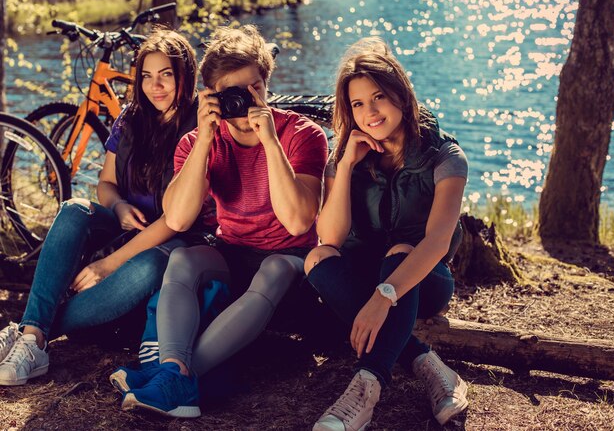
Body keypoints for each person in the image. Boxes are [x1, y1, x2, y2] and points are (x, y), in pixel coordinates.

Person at [115, 25, 328, 418]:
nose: (246, 103)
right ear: (210, 95)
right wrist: (204, 140)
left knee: (276, 267)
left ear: (266, 85)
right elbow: (177, 217)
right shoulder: (197, 142)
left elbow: (299, 223)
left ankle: (174, 378)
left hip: (291, 268)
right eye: (232, 94)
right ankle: (174, 371)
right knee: (183, 260)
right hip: (234, 254)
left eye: (254, 90)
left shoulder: (301, 134)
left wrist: (269, 142)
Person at [0, 29, 200, 386]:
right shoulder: (131, 118)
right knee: (76, 207)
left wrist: (108, 264)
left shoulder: (200, 125)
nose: (156, 86)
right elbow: (105, 184)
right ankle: (33, 337)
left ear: (185, 75)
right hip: (127, 226)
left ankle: (31, 331)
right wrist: (120, 206)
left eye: (166, 75)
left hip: (175, 238)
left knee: (152, 264)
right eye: (147, 76)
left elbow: (176, 220)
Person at [304, 37, 469, 429]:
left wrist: (384, 296)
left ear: (400, 95)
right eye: (357, 104)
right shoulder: (343, 155)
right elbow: (329, 237)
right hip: (366, 281)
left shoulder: (444, 157)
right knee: (316, 258)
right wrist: (344, 167)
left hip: (422, 282)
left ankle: (366, 387)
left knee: (401, 248)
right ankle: (426, 363)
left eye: (378, 97)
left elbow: (437, 243)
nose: (369, 112)